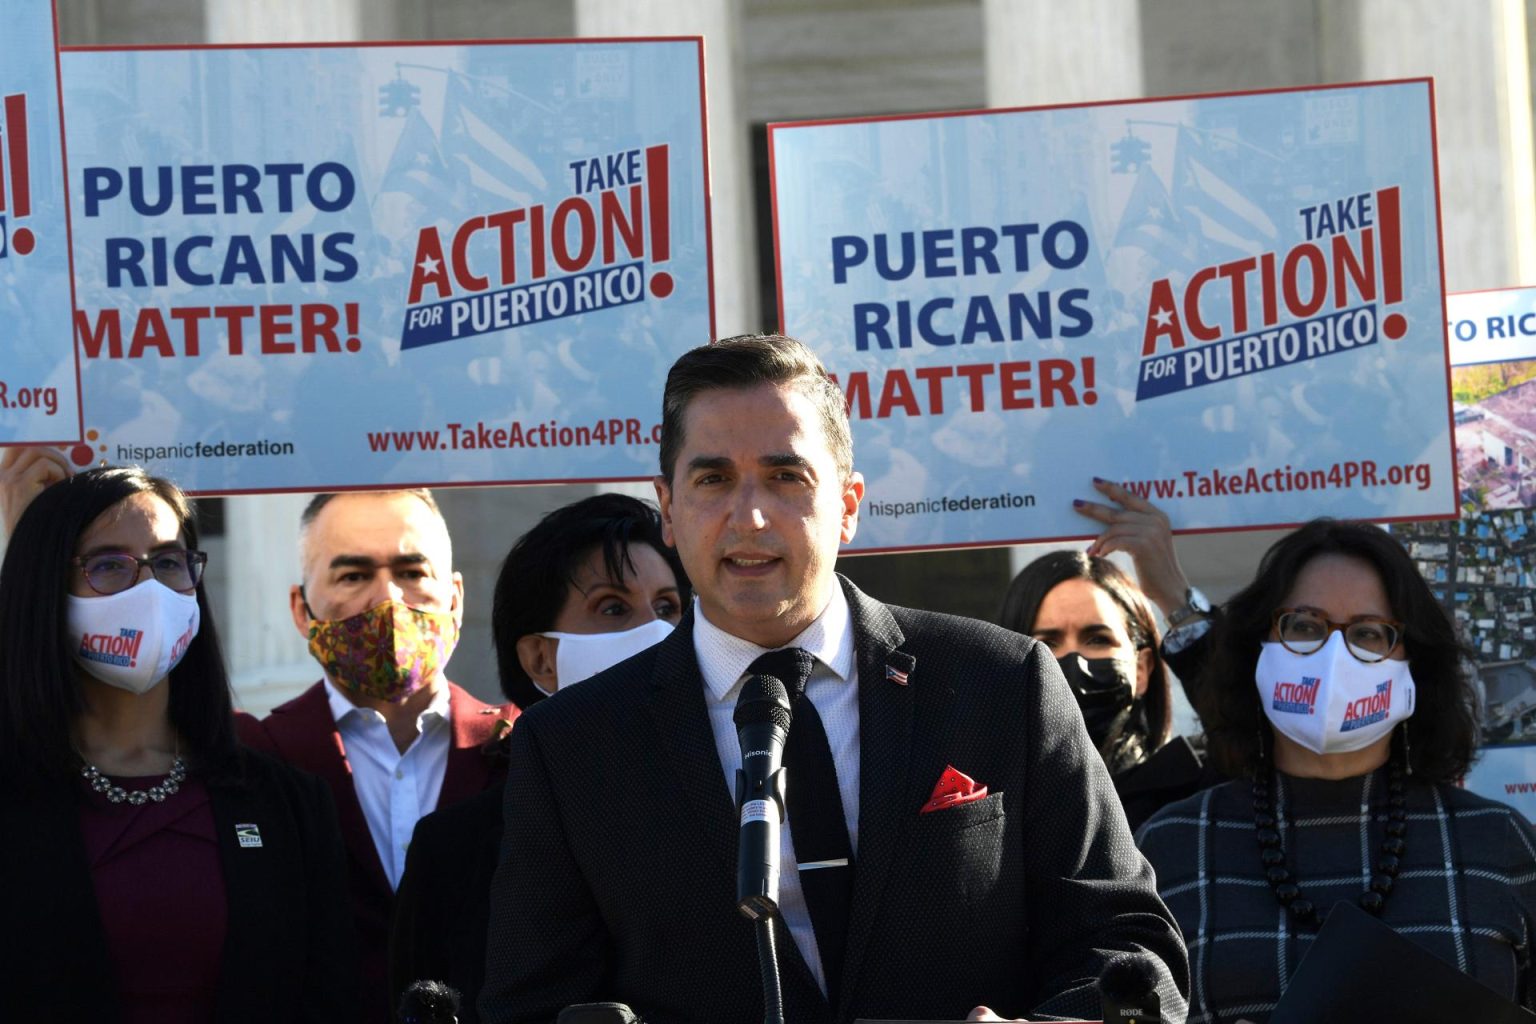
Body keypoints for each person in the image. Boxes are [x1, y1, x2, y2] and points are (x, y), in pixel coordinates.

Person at [479, 334, 1189, 1024]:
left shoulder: (1001, 684)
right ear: (668, 509)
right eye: (713, 478)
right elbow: (533, 1003)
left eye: (787, 476)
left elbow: (1128, 949)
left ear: (848, 506)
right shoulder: (573, 746)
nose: (750, 515)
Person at [1136, 519, 1536, 1022]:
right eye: (1304, 625)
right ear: (1258, 647)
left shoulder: (1499, 844)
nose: (1333, 657)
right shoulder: (1170, 846)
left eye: (1369, 633)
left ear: (1415, 662)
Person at [0, 466, 356, 1020]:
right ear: (45, 587)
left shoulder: (285, 802)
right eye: (109, 565)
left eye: (168, 561)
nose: (149, 590)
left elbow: (329, 997)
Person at [390, 493, 686, 1022]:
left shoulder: (744, 804)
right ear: (541, 660)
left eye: (668, 608)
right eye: (614, 608)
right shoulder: (454, 850)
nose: (660, 634)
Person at [241, 489, 517, 1022]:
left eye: (412, 572)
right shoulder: (256, 761)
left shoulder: (521, 752)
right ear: (301, 609)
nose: (387, 599)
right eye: (352, 576)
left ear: (455, 597)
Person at [998, 550, 1218, 830]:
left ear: (1142, 668)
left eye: (1098, 639)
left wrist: (1175, 597)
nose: (1074, 661)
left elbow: (1250, 738)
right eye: (1047, 643)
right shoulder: (983, 803)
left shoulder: (1194, 788)